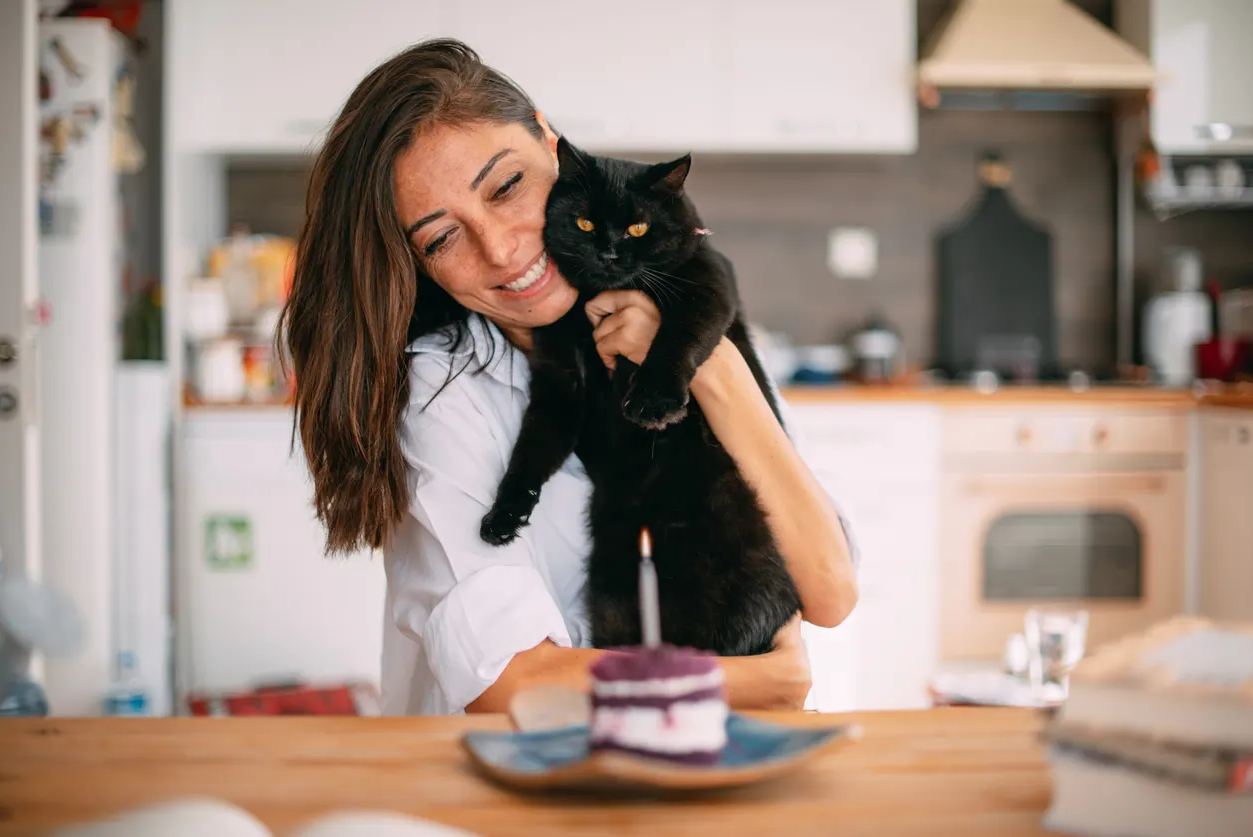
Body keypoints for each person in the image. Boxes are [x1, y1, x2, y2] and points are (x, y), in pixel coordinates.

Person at [280, 39, 859, 716]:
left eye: (507, 187)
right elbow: (514, 681)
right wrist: (761, 681)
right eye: (442, 239)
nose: (500, 250)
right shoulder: (439, 392)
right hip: (503, 790)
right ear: (419, 264)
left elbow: (828, 589)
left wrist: (716, 366)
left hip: (680, 779)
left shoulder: (673, 316)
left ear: (551, 143)